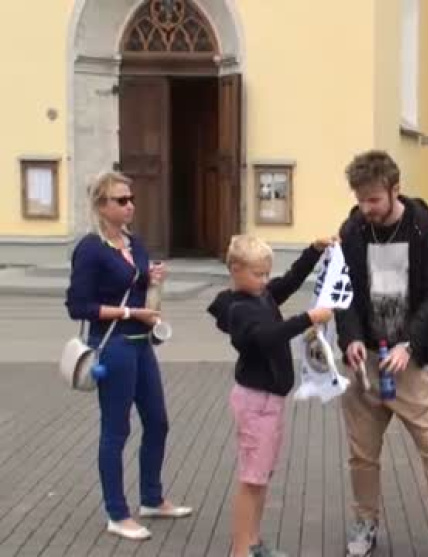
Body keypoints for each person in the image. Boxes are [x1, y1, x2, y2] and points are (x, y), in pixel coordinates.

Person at [335, 150, 428, 557]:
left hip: (412, 362)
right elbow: (344, 292)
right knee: (361, 455)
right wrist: (351, 338)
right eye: (360, 199)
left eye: (374, 199)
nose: (366, 208)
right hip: (366, 363)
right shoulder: (353, 231)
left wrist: (409, 343)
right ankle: (365, 524)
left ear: (396, 190)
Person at [65, 171, 192, 541]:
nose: (130, 205)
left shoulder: (134, 243)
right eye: (121, 200)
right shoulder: (91, 248)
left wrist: (153, 280)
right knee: (116, 430)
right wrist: (128, 312)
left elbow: (139, 289)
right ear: (101, 206)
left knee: (158, 421)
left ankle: (152, 498)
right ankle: (117, 513)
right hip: (114, 346)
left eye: (131, 198)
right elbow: (78, 306)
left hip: (141, 343)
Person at [207, 235, 334, 557]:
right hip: (256, 402)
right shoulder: (239, 309)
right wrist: (307, 319)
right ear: (236, 270)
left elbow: (290, 281)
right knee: (251, 480)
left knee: (261, 476)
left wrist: (314, 251)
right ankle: (240, 550)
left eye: (267, 273)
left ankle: (253, 543)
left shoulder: (260, 295)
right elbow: (267, 337)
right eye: (258, 274)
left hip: (269, 402)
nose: (265, 281)